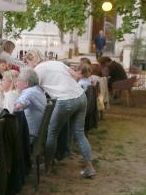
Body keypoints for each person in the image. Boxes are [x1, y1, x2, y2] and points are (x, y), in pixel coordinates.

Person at [25, 49, 96, 178]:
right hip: (80, 96)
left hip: (65, 100)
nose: (28, 66)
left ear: (31, 60)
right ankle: (89, 166)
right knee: (79, 133)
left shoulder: (37, 71)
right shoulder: (56, 63)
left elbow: (34, 90)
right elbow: (74, 76)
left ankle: (48, 166)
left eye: (27, 62)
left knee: (52, 133)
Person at [14, 68, 47, 143]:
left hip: (29, 135)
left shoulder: (29, 92)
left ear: (26, 83)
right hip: (38, 132)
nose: (16, 83)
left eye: (18, 80)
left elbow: (18, 106)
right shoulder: (38, 90)